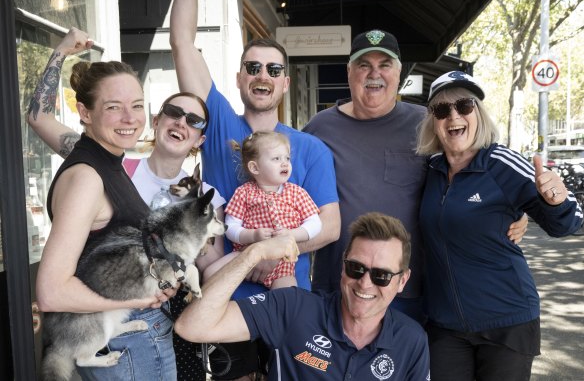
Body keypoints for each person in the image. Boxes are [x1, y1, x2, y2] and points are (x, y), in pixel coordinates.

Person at [27, 28, 226, 381]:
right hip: (129, 345)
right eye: (113, 108)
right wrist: (134, 303)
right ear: (85, 113)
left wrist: (60, 51)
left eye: (135, 106)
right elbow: (51, 291)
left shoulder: (96, 156)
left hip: (132, 339)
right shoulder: (88, 178)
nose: (129, 118)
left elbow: (37, 117)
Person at [303, 29, 528, 324]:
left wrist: (514, 207)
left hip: (407, 292)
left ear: (399, 74)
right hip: (338, 286)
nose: (374, 74)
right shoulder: (319, 128)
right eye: (363, 65)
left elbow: (475, 166)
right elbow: (289, 192)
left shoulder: (426, 122)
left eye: (384, 65)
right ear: (349, 72)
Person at [170, 0, 340, 378]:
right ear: (240, 78)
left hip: (288, 300)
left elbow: (330, 227)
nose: (263, 75)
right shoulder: (218, 126)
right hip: (224, 302)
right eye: (254, 67)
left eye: (274, 70)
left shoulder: (311, 149)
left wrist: (267, 254)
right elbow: (181, 41)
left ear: (285, 83)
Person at [416, 71, 583, 381]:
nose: (454, 116)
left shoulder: (501, 162)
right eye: (442, 110)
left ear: (478, 113)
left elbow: (566, 225)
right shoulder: (430, 170)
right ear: (433, 121)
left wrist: (556, 200)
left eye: (464, 105)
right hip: (446, 325)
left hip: (507, 321)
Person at [175, 212, 430, 380]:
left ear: (402, 281)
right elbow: (192, 326)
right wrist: (253, 254)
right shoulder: (294, 307)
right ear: (343, 267)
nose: (365, 283)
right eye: (356, 268)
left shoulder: (411, 340)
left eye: (381, 276)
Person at [217, 131, 322, 289]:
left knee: (288, 296)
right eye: (276, 159)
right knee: (211, 274)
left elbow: (315, 223)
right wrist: (252, 235)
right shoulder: (244, 192)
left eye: (287, 158)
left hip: (282, 264)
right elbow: (230, 227)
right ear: (255, 167)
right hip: (246, 254)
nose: (285, 163)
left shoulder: (296, 193)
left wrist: (292, 234)